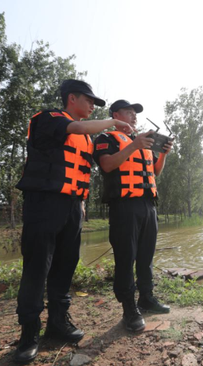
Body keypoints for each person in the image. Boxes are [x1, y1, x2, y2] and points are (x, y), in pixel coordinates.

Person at [13, 80, 133, 363]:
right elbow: (76, 128)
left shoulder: (89, 138)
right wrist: (113, 121)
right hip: (44, 203)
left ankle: (57, 323)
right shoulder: (49, 118)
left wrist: (81, 205)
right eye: (89, 100)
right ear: (71, 99)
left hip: (72, 206)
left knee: (65, 266)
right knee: (36, 268)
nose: (93, 106)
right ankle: (29, 333)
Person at [93, 99, 173, 332]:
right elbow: (107, 165)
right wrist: (134, 145)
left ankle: (146, 298)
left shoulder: (145, 144)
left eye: (135, 113)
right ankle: (129, 309)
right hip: (124, 206)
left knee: (146, 256)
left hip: (148, 205)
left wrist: (163, 154)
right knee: (126, 258)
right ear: (116, 114)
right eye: (129, 112)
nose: (134, 116)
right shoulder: (106, 138)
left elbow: (155, 172)